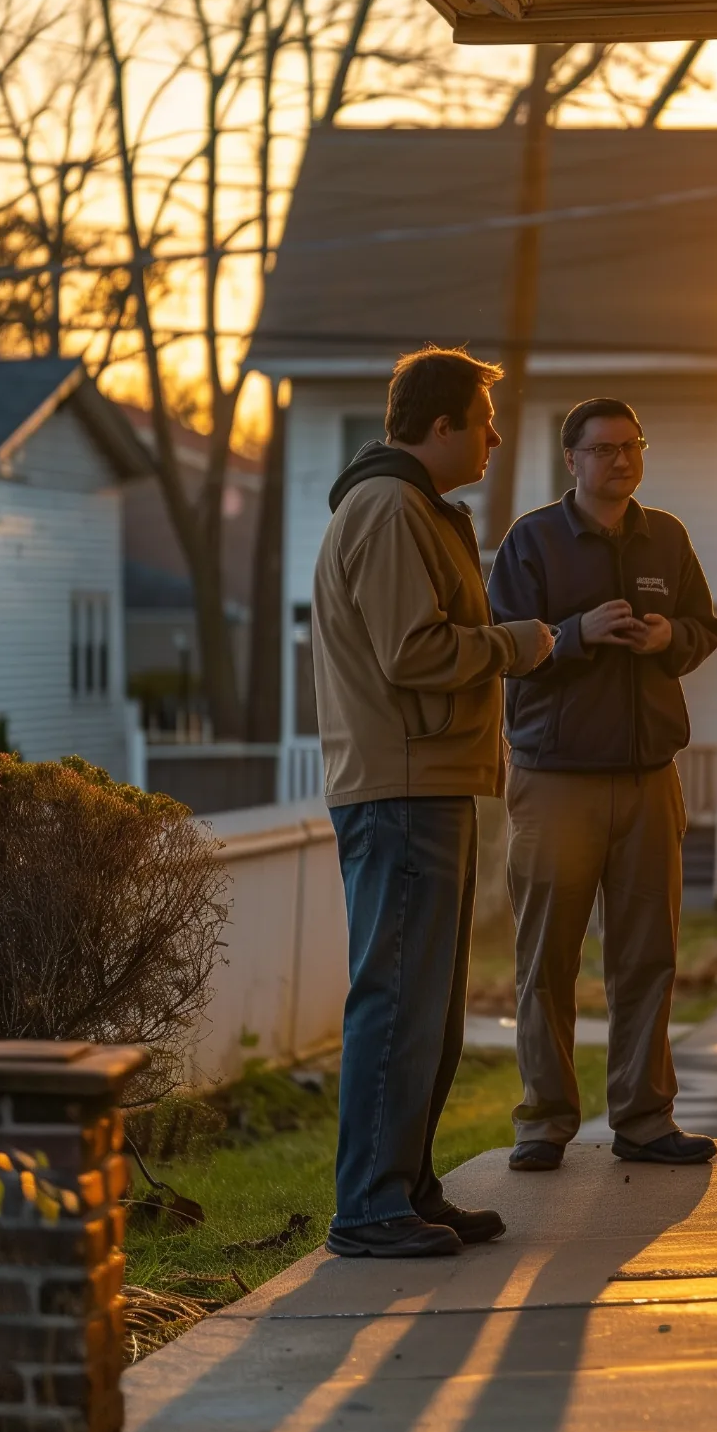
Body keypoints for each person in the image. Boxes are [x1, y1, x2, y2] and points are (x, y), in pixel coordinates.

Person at [312, 346, 553, 1259]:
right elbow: (412, 653)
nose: (495, 436)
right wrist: (517, 643)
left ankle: (406, 1186)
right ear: (440, 425)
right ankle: (370, 1207)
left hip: (426, 782)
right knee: (399, 999)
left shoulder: (410, 509)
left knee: (431, 1007)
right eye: (482, 421)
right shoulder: (386, 510)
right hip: (399, 786)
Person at [489, 397, 717, 1171]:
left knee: (646, 954)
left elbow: (703, 628)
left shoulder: (668, 537)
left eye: (631, 446)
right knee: (547, 958)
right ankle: (544, 1120)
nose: (620, 460)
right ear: (572, 460)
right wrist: (575, 636)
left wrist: (670, 639)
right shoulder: (533, 542)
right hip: (554, 780)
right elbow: (502, 648)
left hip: (650, 776)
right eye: (603, 449)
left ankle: (645, 1118)